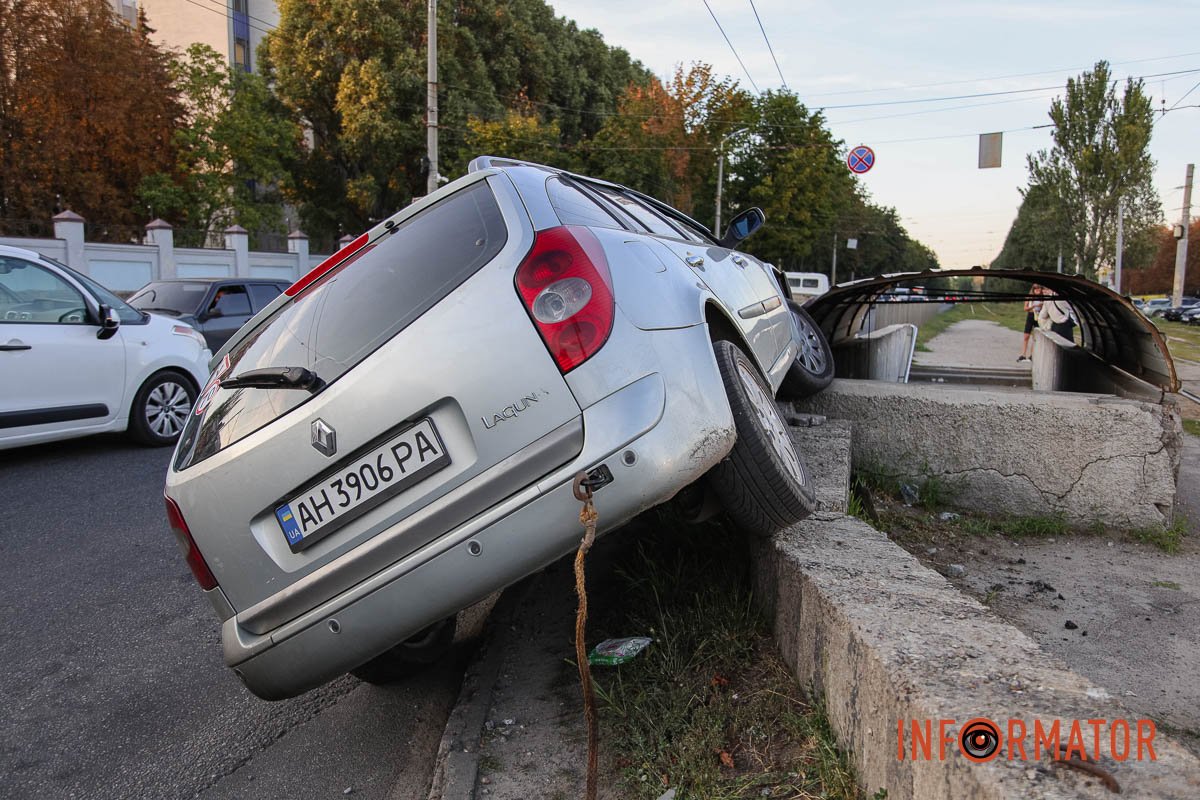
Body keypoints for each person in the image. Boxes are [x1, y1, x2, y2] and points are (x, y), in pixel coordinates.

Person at [1017, 285, 1044, 362]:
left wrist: (1041, 306)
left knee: (1035, 337)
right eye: (1035, 288)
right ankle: (1023, 354)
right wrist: (1033, 306)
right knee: (1026, 336)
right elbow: (1025, 308)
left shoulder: (1043, 298)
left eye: (1039, 288)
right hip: (1031, 315)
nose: (1037, 290)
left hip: (1039, 316)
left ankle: (1032, 355)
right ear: (1033, 290)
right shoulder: (1029, 297)